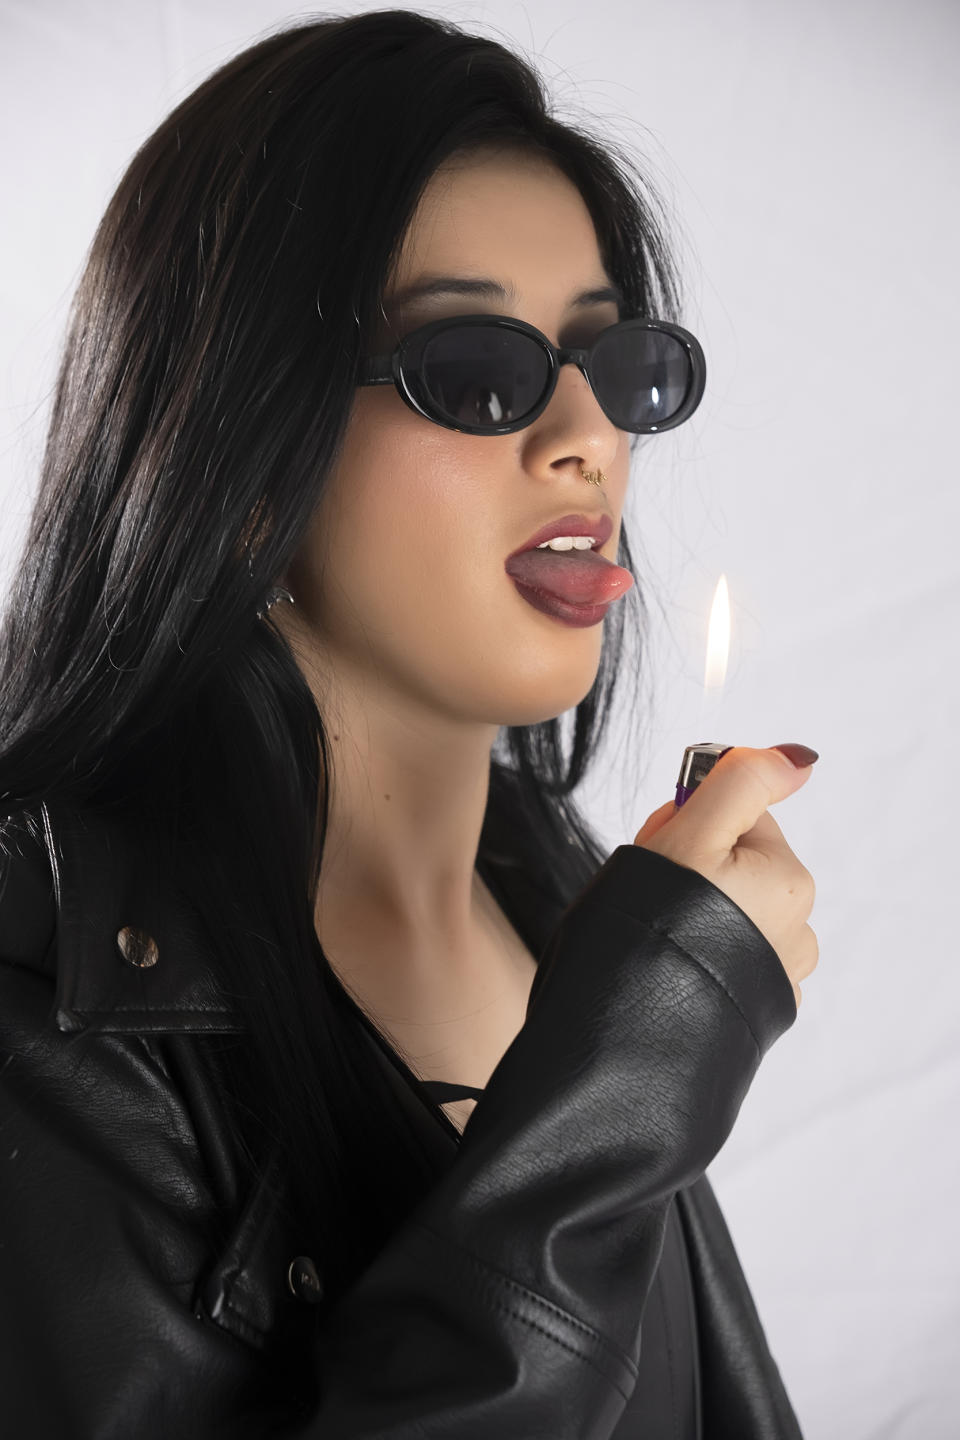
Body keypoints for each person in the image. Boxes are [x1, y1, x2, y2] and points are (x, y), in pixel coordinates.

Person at [0, 9, 819, 1437]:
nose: (588, 440)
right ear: (240, 455)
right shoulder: (46, 1009)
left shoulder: (563, 891)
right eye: (479, 371)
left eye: (617, 366)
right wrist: (628, 1080)